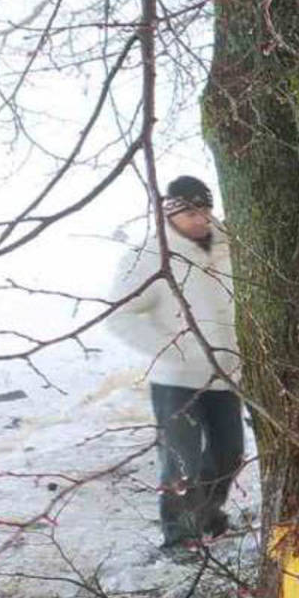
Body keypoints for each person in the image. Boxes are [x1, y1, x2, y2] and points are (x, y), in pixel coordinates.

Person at [106, 176, 244, 553]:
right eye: (190, 211)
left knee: (229, 453)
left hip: (226, 374)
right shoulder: (149, 256)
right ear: (171, 212)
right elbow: (119, 316)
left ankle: (208, 516)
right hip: (175, 380)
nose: (200, 218)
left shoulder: (231, 247)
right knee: (180, 461)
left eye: (205, 209)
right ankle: (180, 537)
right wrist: (172, 350)